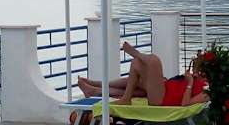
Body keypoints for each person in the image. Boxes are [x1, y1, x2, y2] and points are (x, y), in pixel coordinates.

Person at [78, 41, 208, 106]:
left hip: (163, 98)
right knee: (136, 64)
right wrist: (191, 76)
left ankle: (134, 52)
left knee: (154, 61)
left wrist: (190, 82)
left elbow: (185, 104)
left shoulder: (208, 92)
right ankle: (97, 90)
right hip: (164, 87)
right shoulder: (201, 79)